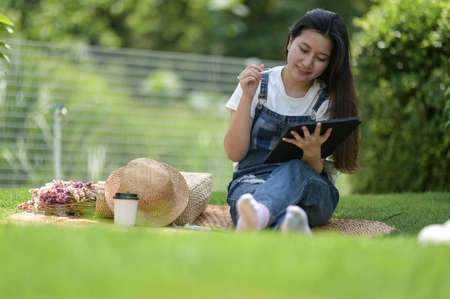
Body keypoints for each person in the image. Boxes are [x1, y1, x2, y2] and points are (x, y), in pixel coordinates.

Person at [223, 8, 359, 233]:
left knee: (295, 169)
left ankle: (260, 214)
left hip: (311, 190)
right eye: (303, 50)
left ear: (330, 62)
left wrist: (313, 154)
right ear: (290, 42)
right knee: (245, 198)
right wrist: (247, 97)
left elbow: (313, 172)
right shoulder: (255, 84)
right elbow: (235, 153)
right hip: (253, 181)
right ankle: (288, 223)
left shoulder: (328, 100)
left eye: (321, 58)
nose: (307, 62)